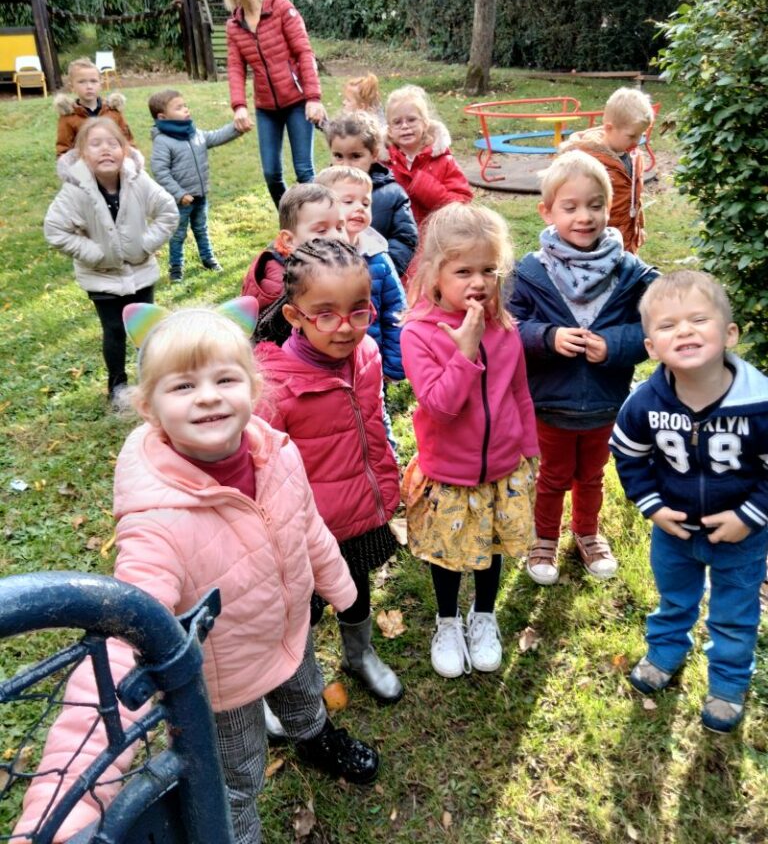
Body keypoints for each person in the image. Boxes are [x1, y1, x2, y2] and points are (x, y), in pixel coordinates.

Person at [13, 300, 378, 844]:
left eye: (224, 379)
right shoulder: (156, 520)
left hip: (288, 631)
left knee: (306, 695)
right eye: (183, 386)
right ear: (148, 407)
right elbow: (121, 640)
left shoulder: (277, 453)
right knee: (236, 775)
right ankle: (237, 833)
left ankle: (314, 736)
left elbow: (308, 529)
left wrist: (341, 589)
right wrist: (68, 800)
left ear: (253, 388)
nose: (208, 395)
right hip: (221, 684)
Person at [610, 271, 768, 734]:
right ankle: (665, 652)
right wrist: (652, 506)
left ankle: (728, 682)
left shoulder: (759, 405)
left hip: (741, 536)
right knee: (674, 598)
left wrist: (749, 516)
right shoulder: (644, 403)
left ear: (729, 334)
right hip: (674, 531)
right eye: (668, 325)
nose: (684, 331)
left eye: (699, 319)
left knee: (735, 613)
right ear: (651, 347)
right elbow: (629, 456)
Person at [255, 239, 403, 704]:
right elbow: (260, 469)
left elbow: (374, 421)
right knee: (303, 608)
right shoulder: (275, 386)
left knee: (355, 589)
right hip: (305, 529)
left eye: (359, 312)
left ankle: (360, 654)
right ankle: (292, 678)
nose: (345, 328)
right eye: (325, 314)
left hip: (358, 510)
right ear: (294, 315)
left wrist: (387, 475)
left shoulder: (368, 353)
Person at [400, 202, 538, 678]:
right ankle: (447, 621)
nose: (478, 282)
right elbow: (439, 407)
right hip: (450, 472)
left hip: (502, 467)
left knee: (490, 549)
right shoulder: (419, 334)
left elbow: (519, 392)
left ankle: (483, 615)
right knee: (449, 553)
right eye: (464, 271)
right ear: (435, 275)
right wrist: (465, 352)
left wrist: (530, 450)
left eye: (488, 270)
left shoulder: (505, 328)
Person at [508, 151, 657, 586]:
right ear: (547, 211)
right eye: (570, 207)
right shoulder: (532, 271)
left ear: (609, 208)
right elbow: (509, 327)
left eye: (595, 205)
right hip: (550, 403)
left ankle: (588, 533)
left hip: (605, 403)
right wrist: (546, 337)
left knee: (591, 475)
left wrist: (615, 345)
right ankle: (544, 538)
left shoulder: (630, 272)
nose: (584, 216)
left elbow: (656, 325)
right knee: (552, 476)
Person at [43, 117, 178, 403]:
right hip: (101, 276)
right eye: (95, 144)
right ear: (82, 154)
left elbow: (168, 211)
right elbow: (55, 230)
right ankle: (117, 386)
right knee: (114, 329)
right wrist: (93, 253)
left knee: (145, 328)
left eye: (113, 143)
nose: (105, 149)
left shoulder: (138, 180)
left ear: (124, 150)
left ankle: (152, 382)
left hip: (140, 272)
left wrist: (145, 244)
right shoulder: (75, 190)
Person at [219, 0, 327, 209]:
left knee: (304, 170)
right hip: (266, 107)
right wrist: (239, 106)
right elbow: (235, 68)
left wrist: (313, 98)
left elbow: (304, 52)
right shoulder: (234, 25)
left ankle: (317, 221)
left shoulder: (280, 7)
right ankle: (290, 219)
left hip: (297, 100)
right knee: (271, 174)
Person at [315, 166, 406, 383]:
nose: (359, 208)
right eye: (348, 201)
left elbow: (396, 311)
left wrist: (393, 365)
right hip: (322, 367)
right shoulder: (312, 258)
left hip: (370, 364)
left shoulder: (378, 257)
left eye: (365, 203)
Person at [149, 88, 243, 282]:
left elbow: (216, 136)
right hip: (180, 201)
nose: (186, 109)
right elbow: (161, 172)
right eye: (179, 107)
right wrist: (179, 194)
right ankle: (176, 268)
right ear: (162, 117)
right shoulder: (163, 141)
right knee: (178, 234)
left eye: (185, 105)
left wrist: (237, 127)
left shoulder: (194, 133)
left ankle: (208, 259)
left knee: (201, 229)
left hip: (200, 196)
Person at [241, 183, 346, 344]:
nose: (336, 237)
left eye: (339, 227)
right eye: (321, 231)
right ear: (289, 240)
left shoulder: (314, 263)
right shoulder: (283, 289)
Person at [560, 87, 655, 254]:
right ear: (609, 128)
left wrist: (637, 228)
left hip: (627, 239)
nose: (637, 141)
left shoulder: (634, 156)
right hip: (596, 243)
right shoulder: (587, 161)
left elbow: (634, 198)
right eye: (632, 136)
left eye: (641, 135)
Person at [326, 110, 418, 276]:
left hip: (375, 279)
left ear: (374, 154)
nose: (346, 165)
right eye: (338, 156)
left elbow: (405, 238)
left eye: (355, 156)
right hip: (327, 278)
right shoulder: (319, 191)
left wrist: (380, 271)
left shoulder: (392, 194)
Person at [385, 84, 473, 228]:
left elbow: (461, 204)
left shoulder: (443, 159)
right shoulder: (384, 162)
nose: (405, 126)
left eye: (411, 119)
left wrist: (425, 187)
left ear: (425, 124)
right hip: (395, 236)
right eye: (397, 122)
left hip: (435, 235)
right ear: (389, 130)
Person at [55, 57, 134, 157]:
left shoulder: (113, 112)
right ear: (72, 86)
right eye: (82, 82)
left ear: (100, 83)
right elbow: (64, 150)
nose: (89, 86)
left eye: (93, 81)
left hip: (113, 162)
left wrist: (130, 160)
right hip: (84, 164)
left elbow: (127, 141)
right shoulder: (69, 117)